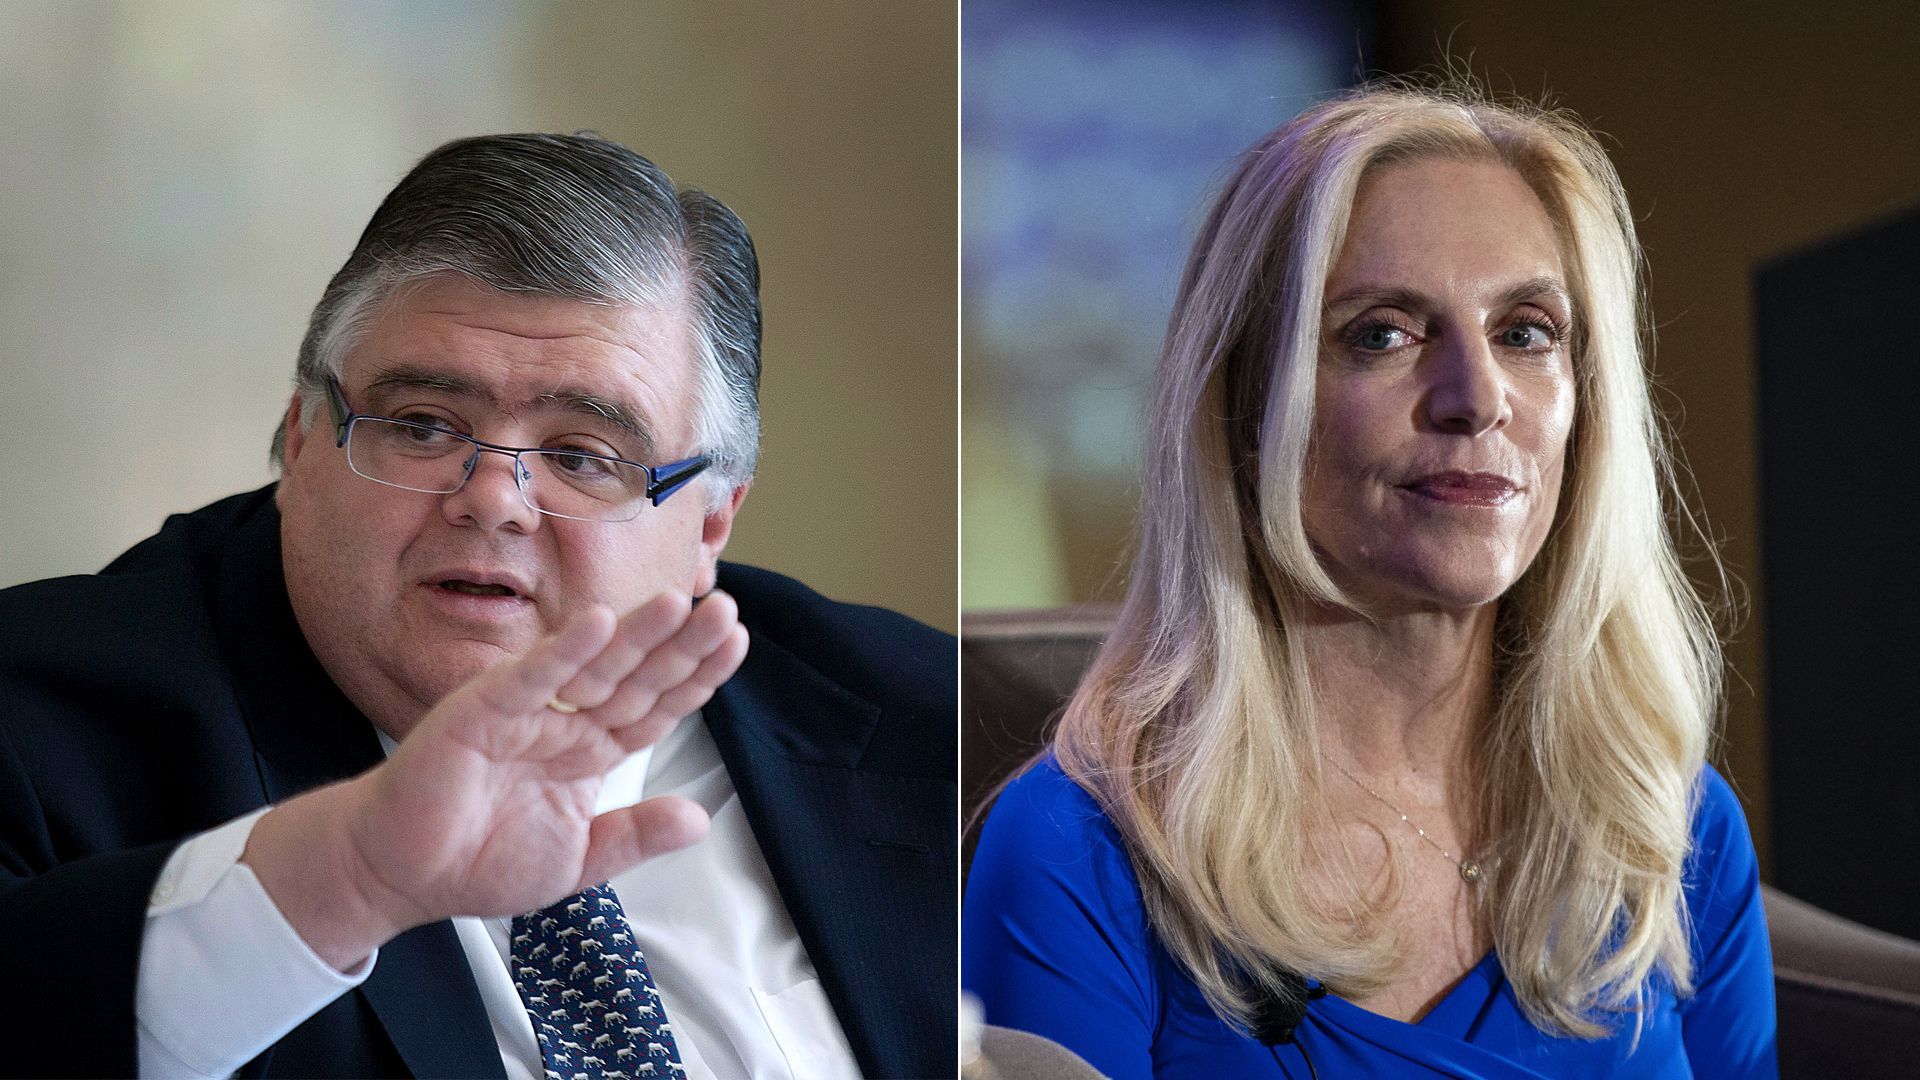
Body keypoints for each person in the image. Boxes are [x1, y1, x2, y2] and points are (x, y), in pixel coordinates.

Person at [0, 133, 954, 1079]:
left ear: (712, 520)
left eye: (583, 454)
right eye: (421, 425)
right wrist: (343, 878)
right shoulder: (35, 729)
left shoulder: (941, 725)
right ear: (300, 441)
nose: (492, 497)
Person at [963, 83, 1776, 1078]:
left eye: (1526, 331)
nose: (1477, 399)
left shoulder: (1673, 830)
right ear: (1247, 405)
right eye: (1384, 333)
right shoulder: (1077, 854)